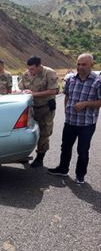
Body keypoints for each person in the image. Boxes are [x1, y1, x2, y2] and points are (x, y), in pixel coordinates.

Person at [48, 53, 101, 184]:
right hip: (70, 121)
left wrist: (86, 104)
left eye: (84, 64)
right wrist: (66, 109)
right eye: (78, 64)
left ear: (91, 65)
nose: (80, 67)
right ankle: (63, 169)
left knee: (82, 150)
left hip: (87, 124)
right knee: (65, 147)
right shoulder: (71, 79)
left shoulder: (98, 81)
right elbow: (67, 96)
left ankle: (80, 175)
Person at [18, 56, 58, 168]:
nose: (30, 71)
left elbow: (53, 90)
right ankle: (23, 154)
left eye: (32, 69)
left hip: (45, 109)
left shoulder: (49, 73)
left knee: (44, 133)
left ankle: (40, 157)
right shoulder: (26, 74)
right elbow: (21, 87)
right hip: (31, 108)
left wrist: (33, 94)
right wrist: (23, 91)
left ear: (39, 66)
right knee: (26, 132)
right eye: (29, 69)